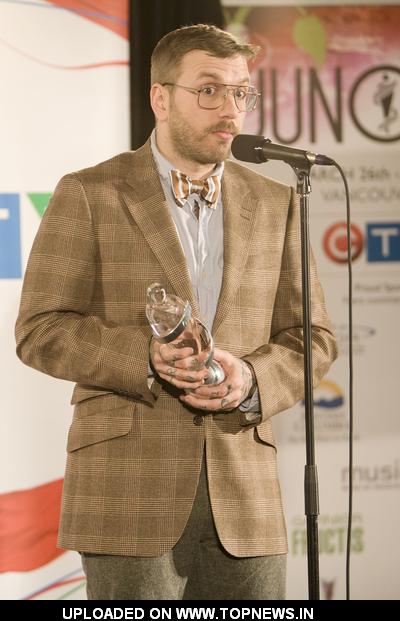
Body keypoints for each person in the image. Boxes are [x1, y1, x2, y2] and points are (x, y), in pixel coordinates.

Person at [15, 24, 337, 600]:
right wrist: (144, 356)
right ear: (160, 97)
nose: (231, 109)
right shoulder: (92, 193)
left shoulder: (277, 201)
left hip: (245, 493)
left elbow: (311, 337)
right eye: (209, 90)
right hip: (126, 490)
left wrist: (253, 376)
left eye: (241, 92)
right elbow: (41, 328)